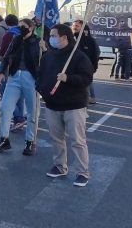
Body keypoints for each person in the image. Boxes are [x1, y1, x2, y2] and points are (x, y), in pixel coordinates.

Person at [36, 23, 94, 187]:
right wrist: (42, 90)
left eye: (53, 36)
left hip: (73, 106)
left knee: (77, 140)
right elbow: (40, 76)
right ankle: (60, 166)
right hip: (52, 105)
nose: (50, 39)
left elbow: (87, 78)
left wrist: (68, 79)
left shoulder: (78, 57)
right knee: (56, 139)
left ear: (64, 37)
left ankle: (83, 172)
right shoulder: (48, 57)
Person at [0, 18, 42, 156]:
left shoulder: (38, 42)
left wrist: (44, 50)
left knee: (33, 110)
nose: (21, 28)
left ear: (31, 28)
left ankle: (30, 141)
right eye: (19, 26)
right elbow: (6, 55)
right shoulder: (16, 39)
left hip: (31, 77)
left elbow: (45, 60)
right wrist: (2, 71)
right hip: (14, 76)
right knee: (5, 107)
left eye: (24, 26)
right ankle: (4, 139)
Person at [72, 20, 100, 104]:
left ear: (82, 28)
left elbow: (96, 53)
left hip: (86, 67)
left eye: (77, 26)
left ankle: (85, 104)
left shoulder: (90, 40)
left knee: (85, 84)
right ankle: (89, 99)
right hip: (74, 67)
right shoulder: (71, 39)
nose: (74, 27)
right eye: (73, 25)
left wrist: (92, 66)